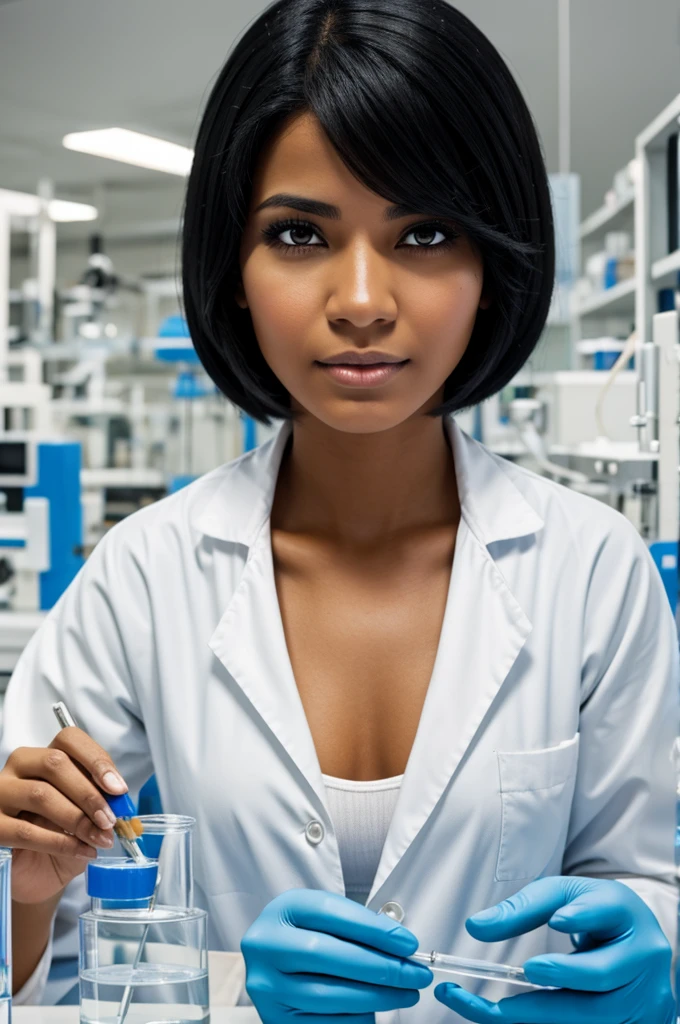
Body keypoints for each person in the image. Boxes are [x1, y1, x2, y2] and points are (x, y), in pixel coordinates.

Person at [0, 1, 677, 1021]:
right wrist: (28, 895)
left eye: (424, 231)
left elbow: (645, 884)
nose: (360, 297)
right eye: (299, 233)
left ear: (491, 263)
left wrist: (651, 949)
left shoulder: (591, 568)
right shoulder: (143, 577)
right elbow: (43, 944)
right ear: (233, 267)